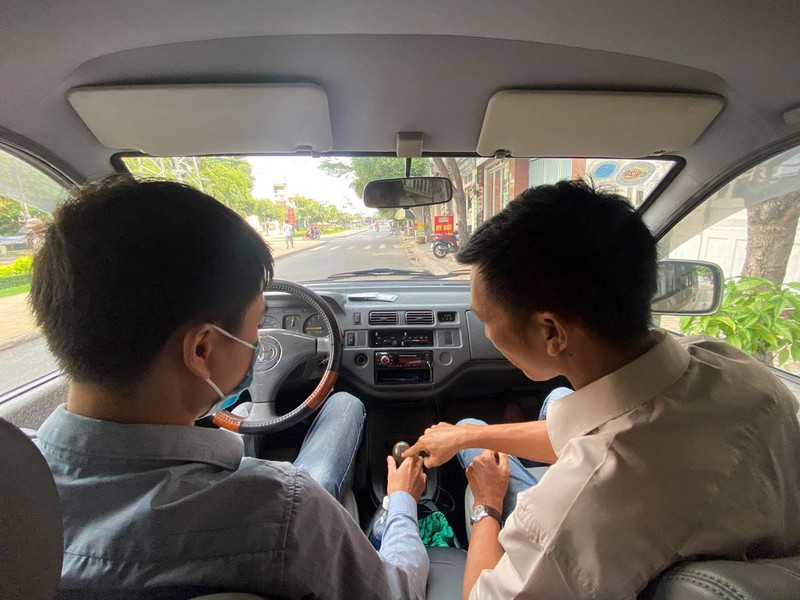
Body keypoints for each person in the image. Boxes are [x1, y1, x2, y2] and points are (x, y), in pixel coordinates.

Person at [30, 176, 429, 599]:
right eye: (258, 325)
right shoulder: (284, 511)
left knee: (341, 404)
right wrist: (402, 501)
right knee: (346, 404)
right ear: (202, 350)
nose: (260, 342)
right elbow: (397, 592)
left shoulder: (15, 484)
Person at [404, 180, 800, 599]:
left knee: (479, 443)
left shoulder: (575, 510)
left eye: (486, 318)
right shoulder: (734, 367)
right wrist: (468, 435)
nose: (486, 330)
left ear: (551, 332)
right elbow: (605, 430)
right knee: (540, 408)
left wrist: (487, 503)